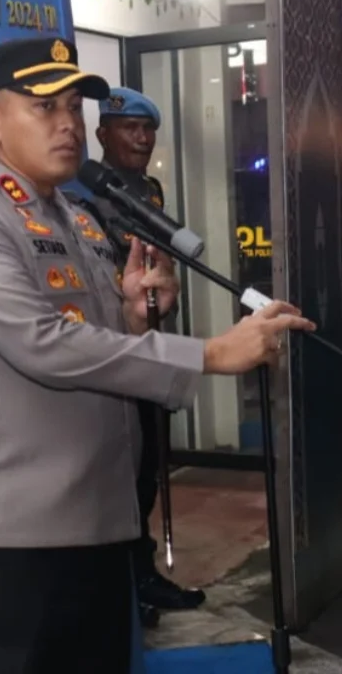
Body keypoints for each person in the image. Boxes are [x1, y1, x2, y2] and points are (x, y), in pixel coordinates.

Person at [0, 36, 316, 674]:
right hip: (15, 541)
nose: (68, 125)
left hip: (101, 525)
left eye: (73, 108)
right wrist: (211, 353)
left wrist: (134, 315)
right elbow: (45, 346)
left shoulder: (76, 218)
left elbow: (101, 346)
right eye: (44, 107)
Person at [90, 87, 204, 623]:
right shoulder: (85, 198)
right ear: (102, 134)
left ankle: (142, 573)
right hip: (119, 349)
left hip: (157, 344)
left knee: (150, 468)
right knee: (125, 474)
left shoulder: (148, 191)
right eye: (129, 129)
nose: (141, 138)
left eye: (147, 130)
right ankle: (127, 582)